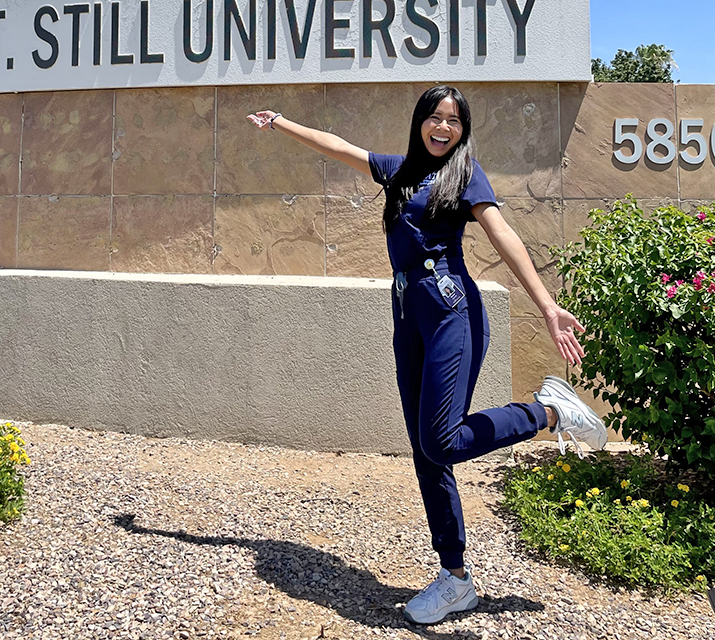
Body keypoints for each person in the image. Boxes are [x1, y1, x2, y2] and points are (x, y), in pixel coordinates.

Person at [247, 85, 607, 626]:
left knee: (441, 439)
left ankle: (549, 412)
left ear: (463, 130)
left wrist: (548, 306)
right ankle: (455, 578)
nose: (444, 128)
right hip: (406, 316)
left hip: (450, 312)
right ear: (420, 122)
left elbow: (503, 233)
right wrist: (282, 123)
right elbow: (337, 146)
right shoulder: (397, 171)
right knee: (425, 449)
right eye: (435, 118)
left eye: (454, 121)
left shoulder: (465, 174)